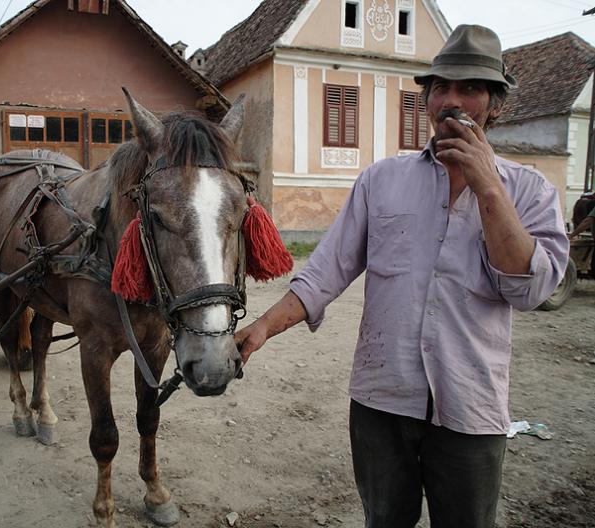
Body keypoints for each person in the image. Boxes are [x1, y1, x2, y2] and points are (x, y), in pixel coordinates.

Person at [234, 25, 568, 528]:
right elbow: (328, 268)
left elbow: (530, 289)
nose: (452, 101)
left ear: (495, 104)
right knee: (384, 520)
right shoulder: (381, 180)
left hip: (470, 407)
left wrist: (488, 189)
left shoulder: (530, 191)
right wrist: (263, 326)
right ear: (427, 99)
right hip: (381, 399)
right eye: (441, 88)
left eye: (471, 89)